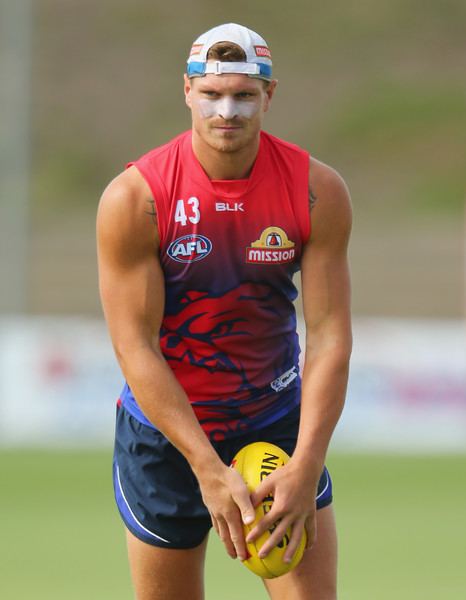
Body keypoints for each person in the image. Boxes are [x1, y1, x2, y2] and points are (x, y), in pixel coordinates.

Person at [97, 22, 352, 600]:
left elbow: (331, 334)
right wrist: (206, 468)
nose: (227, 111)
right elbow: (133, 344)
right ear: (187, 92)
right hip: (166, 437)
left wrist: (308, 462)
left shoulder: (317, 190)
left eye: (243, 94)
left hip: (275, 425)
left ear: (270, 94)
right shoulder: (136, 199)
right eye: (211, 94)